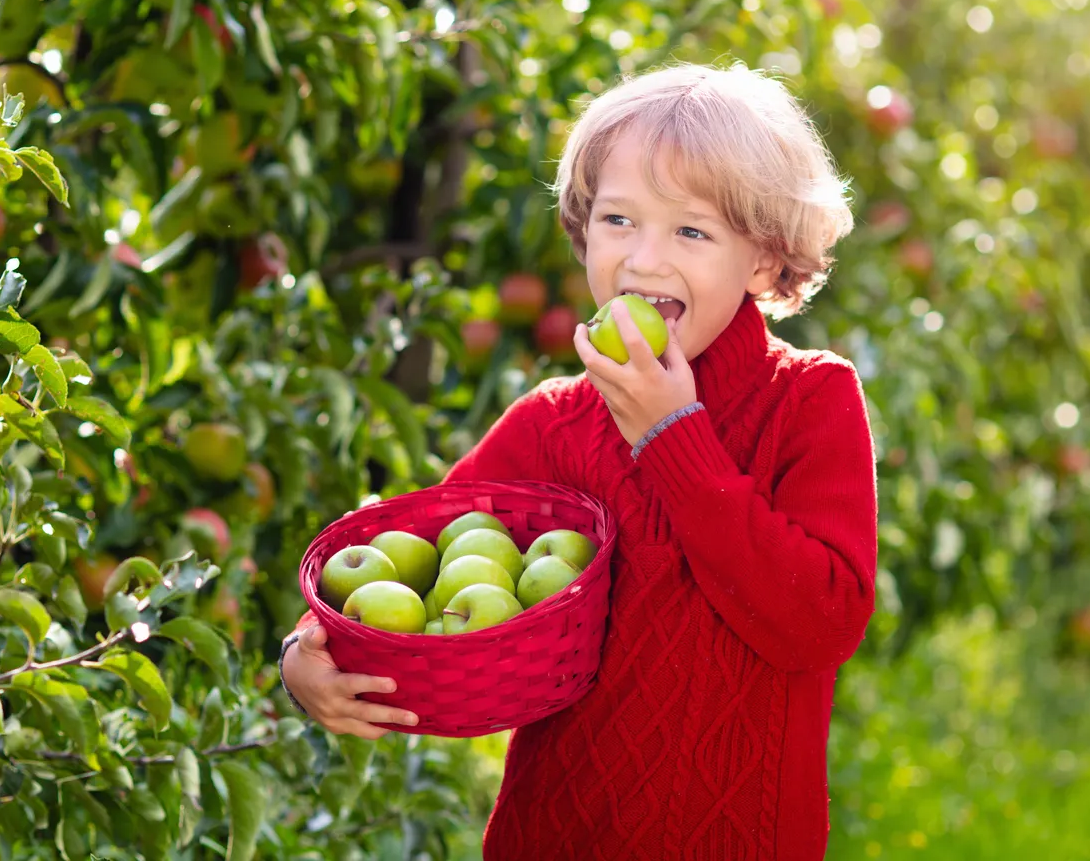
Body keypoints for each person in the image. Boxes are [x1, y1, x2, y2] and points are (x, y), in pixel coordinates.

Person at [279, 62, 877, 860]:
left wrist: (673, 436)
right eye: (618, 219)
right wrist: (308, 653)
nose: (644, 260)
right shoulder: (555, 425)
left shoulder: (808, 402)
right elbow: (414, 563)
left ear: (765, 262)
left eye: (691, 231)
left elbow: (822, 624)